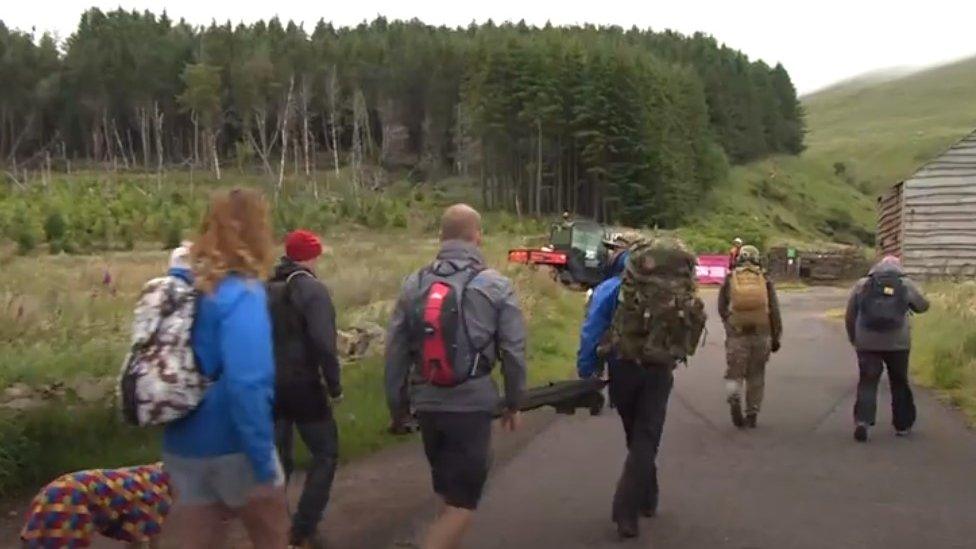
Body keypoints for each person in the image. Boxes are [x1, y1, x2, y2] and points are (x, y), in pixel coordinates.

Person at [385, 203, 527, 549]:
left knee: (450, 494)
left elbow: (395, 353)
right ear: (477, 236)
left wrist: (398, 407)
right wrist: (514, 401)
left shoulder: (414, 283)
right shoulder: (495, 285)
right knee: (464, 504)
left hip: (428, 403)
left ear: (441, 236)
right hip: (471, 404)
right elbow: (513, 351)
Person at [162, 188, 288, 548]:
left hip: (181, 441)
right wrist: (263, 463)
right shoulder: (241, 294)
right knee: (273, 538)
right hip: (234, 444)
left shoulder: (187, 288)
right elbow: (248, 382)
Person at [578, 236, 705, 540]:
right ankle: (643, 498)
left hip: (623, 366)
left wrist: (586, 369)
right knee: (645, 436)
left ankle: (627, 509)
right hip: (659, 369)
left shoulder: (613, 288)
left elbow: (592, 328)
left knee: (635, 434)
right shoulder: (675, 287)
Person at [268, 229, 343, 549]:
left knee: (278, 461)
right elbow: (325, 344)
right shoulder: (313, 290)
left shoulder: (264, 288)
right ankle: (303, 527)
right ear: (311, 256)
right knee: (325, 453)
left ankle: (275, 528)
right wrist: (335, 385)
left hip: (269, 387)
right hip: (305, 387)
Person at [845, 255, 929, 442]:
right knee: (899, 382)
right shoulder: (905, 284)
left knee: (867, 381)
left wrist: (854, 337)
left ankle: (862, 421)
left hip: (867, 342)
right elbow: (923, 306)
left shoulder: (862, 284)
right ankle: (903, 424)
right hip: (898, 344)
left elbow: (850, 314)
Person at [717, 245, 783, 429]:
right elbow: (774, 312)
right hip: (761, 334)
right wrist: (776, 336)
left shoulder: (730, 278)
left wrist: (729, 324)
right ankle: (752, 413)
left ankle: (733, 396)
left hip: (737, 334)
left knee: (733, 373)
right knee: (756, 375)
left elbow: (722, 307)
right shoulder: (765, 280)